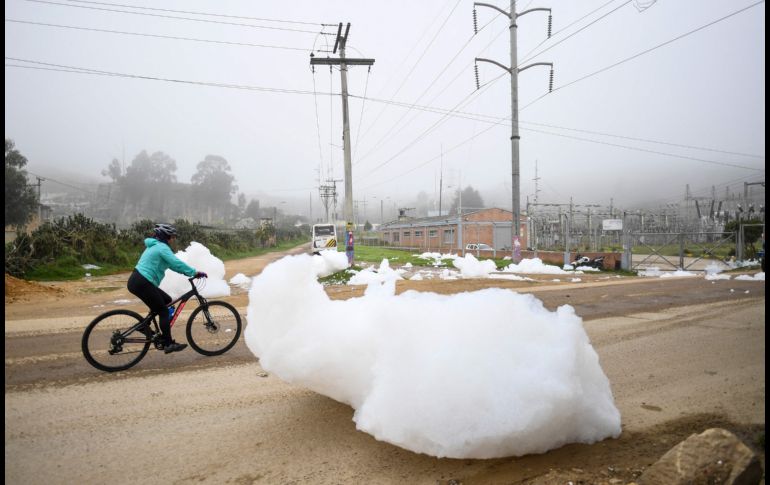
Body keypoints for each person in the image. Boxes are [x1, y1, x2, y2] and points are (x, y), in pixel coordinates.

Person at [127, 223, 207, 354]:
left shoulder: (154, 246)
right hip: (142, 282)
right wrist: (194, 272)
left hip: (138, 280)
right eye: (171, 237)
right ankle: (168, 344)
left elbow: (173, 265)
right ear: (165, 236)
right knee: (163, 311)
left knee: (166, 300)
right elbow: (176, 263)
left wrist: (188, 272)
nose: (173, 239)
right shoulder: (162, 248)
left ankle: (143, 326)